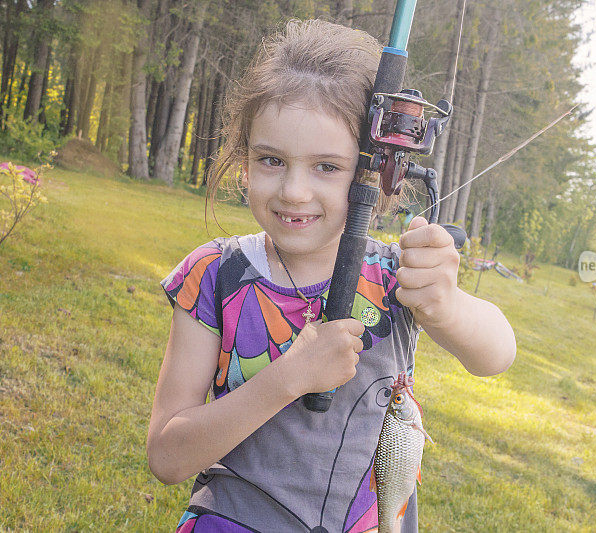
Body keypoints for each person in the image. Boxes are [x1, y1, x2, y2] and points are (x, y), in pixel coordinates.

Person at [147, 20, 516, 533]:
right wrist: (291, 376)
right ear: (243, 161)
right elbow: (166, 456)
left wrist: (447, 304)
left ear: (377, 175)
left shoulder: (395, 278)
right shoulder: (214, 276)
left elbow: (497, 354)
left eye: (326, 166)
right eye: (272, 160)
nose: (294, 191)